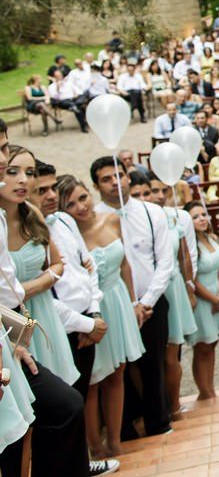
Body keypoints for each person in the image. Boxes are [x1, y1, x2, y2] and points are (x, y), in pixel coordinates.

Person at [57, 175, 144, 459]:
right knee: (93, 379)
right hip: (94, 307)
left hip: (118, 299)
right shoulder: (68, 237)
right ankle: (95, 446)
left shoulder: (112, 220)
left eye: (82, 197)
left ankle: (116, 441)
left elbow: (127, 265)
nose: (81, 206)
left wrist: (134, 302)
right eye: (70, 204)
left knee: (118, 371)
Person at [91, 156, 174, 438]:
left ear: (129, 177)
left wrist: (146, 301)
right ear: (96, 185)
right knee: (119, 370)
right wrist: (127, 306)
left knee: (154, 364)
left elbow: (165, 261)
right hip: (114, 306)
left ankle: (158, 422)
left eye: (120, 175)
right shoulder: (92, 219)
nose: (115, 182)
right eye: (106, 178)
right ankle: (124, 428)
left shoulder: (152, 212)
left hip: (151, 300)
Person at [2, 146, 80, 387]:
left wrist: (28, 287)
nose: (24, 180)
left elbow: (57, 264)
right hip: (10, 318)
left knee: (63, 387)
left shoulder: (32, 213)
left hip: (42, 312)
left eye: (30, 172)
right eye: (13, 171)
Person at [31, 162, 105, 402]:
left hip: (87, 320)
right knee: (67, 403)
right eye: (42, 191)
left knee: (84, 394)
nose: (53, 195)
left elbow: (88, 267)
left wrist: (93, 314)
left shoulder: (63, 219)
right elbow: (43, 296)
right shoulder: (28, 237)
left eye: (53, 188)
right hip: (61, 329)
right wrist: (86, 325)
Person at [145, 175, 197, 421]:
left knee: (173, 351)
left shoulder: (176, 217)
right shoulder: (140, 218)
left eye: (160, 190)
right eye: (150, 191)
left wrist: (189, 287)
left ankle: (174, 404)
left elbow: (186, 256)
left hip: (174, 283)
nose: (156, 195)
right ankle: (158, 405)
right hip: (151, 287)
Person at [185, 202, 219, 400]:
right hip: (203, 298)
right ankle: (204, 392)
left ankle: (211, 387)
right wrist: (213, 300)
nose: (201, 219)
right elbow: (192, 279)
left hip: (216, 293)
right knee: (202, 346)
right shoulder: (190, 246)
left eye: (203, 214)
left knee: (213, 343)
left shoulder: (210, 238)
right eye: (195, 217)